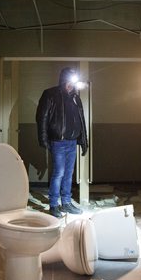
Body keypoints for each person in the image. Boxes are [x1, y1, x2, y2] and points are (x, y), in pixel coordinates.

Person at [36, 67, 89, 218]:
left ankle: (66, 202)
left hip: (72, 142)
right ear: (65, 78)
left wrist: (84, 141)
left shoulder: (75, 97)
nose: (73, 84)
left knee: (68, 174)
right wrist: (43, 139)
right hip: (58, 142)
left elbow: (81, 120)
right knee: (58, 173)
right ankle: (54, 204)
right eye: (71, 79)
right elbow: (42, 118)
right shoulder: (50, 94)